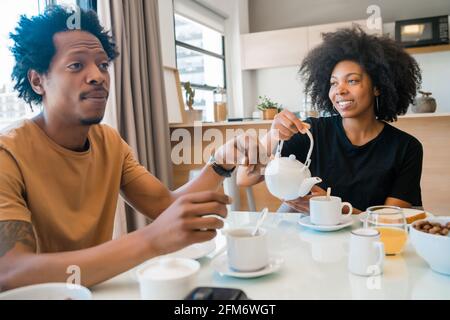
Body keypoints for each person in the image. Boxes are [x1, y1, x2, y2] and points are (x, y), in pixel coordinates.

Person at [0, 6, 263, 291]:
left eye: (102, 65)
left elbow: (164, 206)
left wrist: (220, 163)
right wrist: (150, 240)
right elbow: (10, 271)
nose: (98, 76)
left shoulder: (109, 143)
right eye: (76, 65)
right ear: (37, 80)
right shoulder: (8, 153)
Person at [238, 27, 423, 215]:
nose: (339, 90)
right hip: (306, 239)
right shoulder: (311, 132)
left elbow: (390, 221)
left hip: (366, 241)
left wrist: (334, 208)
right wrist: (272, 135)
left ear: (378, 87)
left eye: (352, 81)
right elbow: (244, 178)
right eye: (334, 83)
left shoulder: (406, 148)